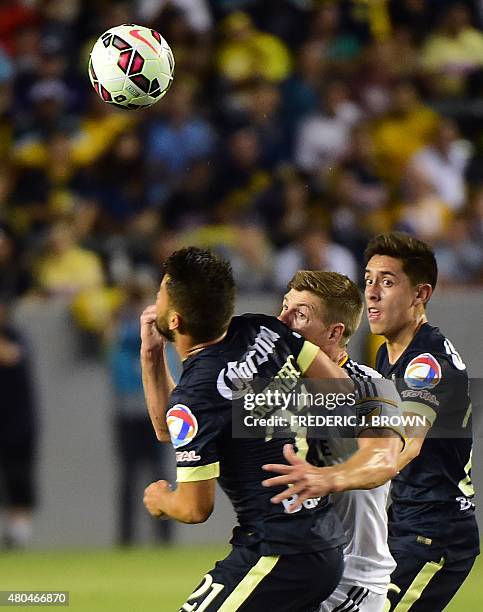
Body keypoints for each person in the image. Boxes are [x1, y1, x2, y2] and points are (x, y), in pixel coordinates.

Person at [140, 246, 349, 612]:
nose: (155, 301)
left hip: (278, 552)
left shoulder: (196, 398)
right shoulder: (264, 329)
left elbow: (194, 508)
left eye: (159, 295)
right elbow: (341, 390)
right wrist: (151, 354)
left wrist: (160, 501)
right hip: (322, 540)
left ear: (175, 320)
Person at [265, 271, 404, 612]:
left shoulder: (370, 386)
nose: (281, 320)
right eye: (284, 307)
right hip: (292, 572)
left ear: (334, 332)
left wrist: (326, 478)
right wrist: (151, 357)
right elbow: (181, 423)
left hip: (351, 579)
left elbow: (383, 460)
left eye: (299, 314)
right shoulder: (270, 388)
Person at [364, 232, 479, 611]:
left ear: (420, 294)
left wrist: (335, 480)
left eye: (387, 281)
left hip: (433, 533)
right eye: (368, 280)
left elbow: (406, 445)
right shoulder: (388, 355)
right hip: (406, 523)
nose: (372, 293)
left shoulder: (424, 363)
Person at [0, 300, 38, 548]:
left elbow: (12, 356)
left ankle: (19, 534)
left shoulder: (16, 336)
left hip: (17, 424)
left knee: (19, 478)